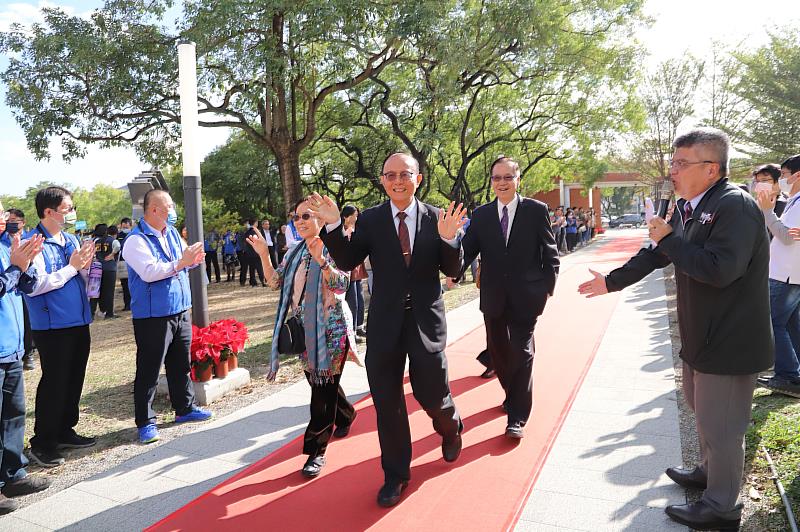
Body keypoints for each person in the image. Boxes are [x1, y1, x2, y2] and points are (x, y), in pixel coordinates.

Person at [578, 127, 773, 531]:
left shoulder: (733, 206)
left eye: (682, 164)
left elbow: (720, 271)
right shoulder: (689, 206)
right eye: (673, 162)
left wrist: (669, 239)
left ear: (712, 168)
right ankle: (707, 473)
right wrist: (611, 281)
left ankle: (721, 507)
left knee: (722, 426)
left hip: (729, 340)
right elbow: (658, 253)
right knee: (703, 413)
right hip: (700, 334)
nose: (673, 171)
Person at [311, 152, 465, 508]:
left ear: (418, 178)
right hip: (384, 324)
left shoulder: (435, 217)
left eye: (405, 174)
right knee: (387, 402)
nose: (398, 180)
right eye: (390, 175)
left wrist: (449, 239)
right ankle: (396, 474)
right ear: (382, 180)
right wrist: (333, 227)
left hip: (425, 321)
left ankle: (450, 424)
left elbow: (453, 269)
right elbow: (349, 261)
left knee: (431, 393)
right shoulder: (373, 219)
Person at [248, 198, 359, 479]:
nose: (299, 221)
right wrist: (263, 254)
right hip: (305, 330)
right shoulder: (294, 252)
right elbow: (276, 282)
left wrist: (322, 260)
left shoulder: (334, 247)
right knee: (320, 381)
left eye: (306, 216)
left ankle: (316, 452)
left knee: (322, 391)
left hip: (332, 330)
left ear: (320, 218)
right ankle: (345, 414)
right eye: (295, 217)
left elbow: (342, 284)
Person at [460, 156, 559, 439]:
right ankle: (511, 393)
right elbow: (468, 250)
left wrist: (546, 288)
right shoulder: (481, 215)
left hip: (528, 296)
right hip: (493, 296)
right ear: (491, 182)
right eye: (497, 178)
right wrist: (453, 269)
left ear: (518, 180)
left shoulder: (535, 210)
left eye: (508, 177)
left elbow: (549, 251)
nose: (502, 183)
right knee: (500, 354)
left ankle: (517, 416)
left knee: (522, 351)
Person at [122, 189, 212, 444]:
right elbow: (151, 272)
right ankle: (146, 421)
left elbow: (181, 260)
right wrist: (182, 263)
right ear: (153, 210)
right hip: (153, 316)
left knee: (180, 365)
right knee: (149, 370)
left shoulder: (171, 233)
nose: (173, 211)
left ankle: (184, 408)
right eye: (168, 207)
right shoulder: (135, 240)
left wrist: (193, 260)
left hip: (179, 309)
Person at [24, 186, 98, 467]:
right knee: (54, 382)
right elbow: (35, 286)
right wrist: (71, 267)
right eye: (67, 209)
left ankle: (65, 429)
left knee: (74, 377)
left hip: (78, 320)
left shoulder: (69, 239)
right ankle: (42, 442)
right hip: (52, 326)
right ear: (48, 212)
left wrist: (86, 266)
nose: (71, 213)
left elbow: (80, 275)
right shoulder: (34, 243)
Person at [0, 204, 50, 513]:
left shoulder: (8, 246)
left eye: (3, 211)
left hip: (13, 348)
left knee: (14, 415)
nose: (3, 217)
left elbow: (25, 286)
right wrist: (16, 267)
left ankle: (14, 474)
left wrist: (26, 263)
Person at [757, 155, 800, 397]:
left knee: (775, 323)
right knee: (792, 324)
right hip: (789, 273)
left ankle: (788, 376)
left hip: (785, 274)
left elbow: (786, 236)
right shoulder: (794, 200)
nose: (781, 179)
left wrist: (768, 212)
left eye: (783, 175)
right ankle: (794, 374)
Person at [4, 209, 37, 370]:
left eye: (14, 219)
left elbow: (29, 281)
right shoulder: (3, 244)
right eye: (7, 218)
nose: (10, 222)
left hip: (22, 291)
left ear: (23, 222)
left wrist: (28, 264)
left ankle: (28, 353)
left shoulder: (27, 242)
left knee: (27, 319)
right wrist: (16, 267)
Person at [341, 205, 367, 340]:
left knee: (360, 300)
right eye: (354, 215)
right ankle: (352, 333)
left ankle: (359, 326)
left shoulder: (358, 229)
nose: (356, 218)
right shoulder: (340, 231)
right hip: (347, 272)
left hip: (357, 269)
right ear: (346, 216)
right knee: (353, 302)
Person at [90, 224, 119, 319]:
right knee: (109, 291)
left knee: (95, 291)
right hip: (109, 268)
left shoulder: (94, 241)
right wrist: (112, 254)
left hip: (96, 268)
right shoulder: (111, 240)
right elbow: (118, 246)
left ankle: (91, 313)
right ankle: (109, 313)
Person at [117, 218, 132, 311]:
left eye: (127, 226)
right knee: (125, 285)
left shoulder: (135, 234)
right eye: (123, 227)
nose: (125, 228)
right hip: (123, 263)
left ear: (130, 226)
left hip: (134, 263)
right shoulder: (119, 235)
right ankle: (127, 304)